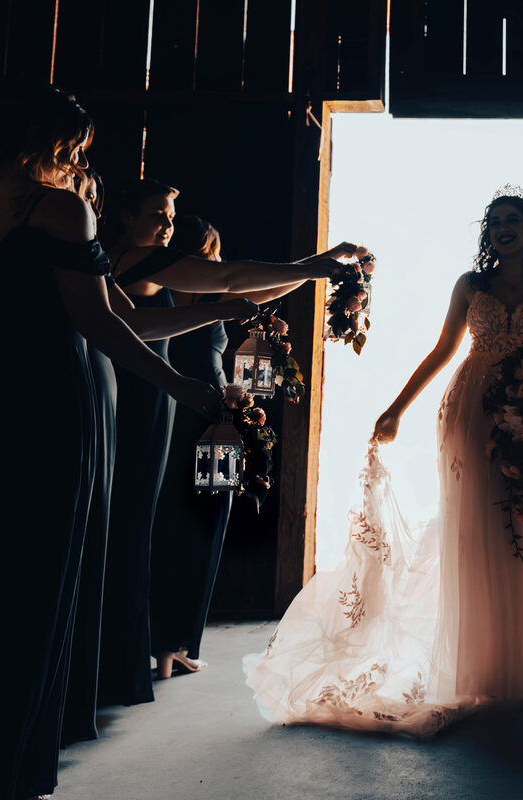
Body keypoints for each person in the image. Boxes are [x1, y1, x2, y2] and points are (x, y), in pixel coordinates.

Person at [0, 80, 220, 800]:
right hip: (52, 399)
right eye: (79, 147)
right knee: (36, 572)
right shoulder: (60, 209)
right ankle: (5, 760)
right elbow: (102, 324)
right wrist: (180, 386)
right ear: (62, 143)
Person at [242, 188, 523, 737]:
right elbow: (442, 350)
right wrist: (395, 410)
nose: (504, 228)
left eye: (514, 221)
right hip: (469, 411)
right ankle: (481, 664)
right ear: (488, 233)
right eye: (496, 222)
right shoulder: (469, 286)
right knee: (477, 528)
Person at [97, 182, 357, 707]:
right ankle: (138, 652)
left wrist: (310, 269)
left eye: (171, 219)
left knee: (156, 524)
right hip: (162, 400)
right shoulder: (135, 259)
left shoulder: (149, 269)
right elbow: (231, 278)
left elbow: (241, 288)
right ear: (124, 218)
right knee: (150, 524)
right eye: (157, 216)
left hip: (173, 401)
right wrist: (316, 265)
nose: (166, 228)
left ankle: (149, 648)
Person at [149, 216, 299, 679]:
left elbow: (266, 293)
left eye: (216, 256)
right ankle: (159, 640)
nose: (215, 263)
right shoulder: (164, 296)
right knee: (171, 526)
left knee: (208, 527)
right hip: (179, 417)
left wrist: (315, 269)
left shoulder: (218, 301)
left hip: (219, 422)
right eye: (208, 254)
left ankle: (176, 644)